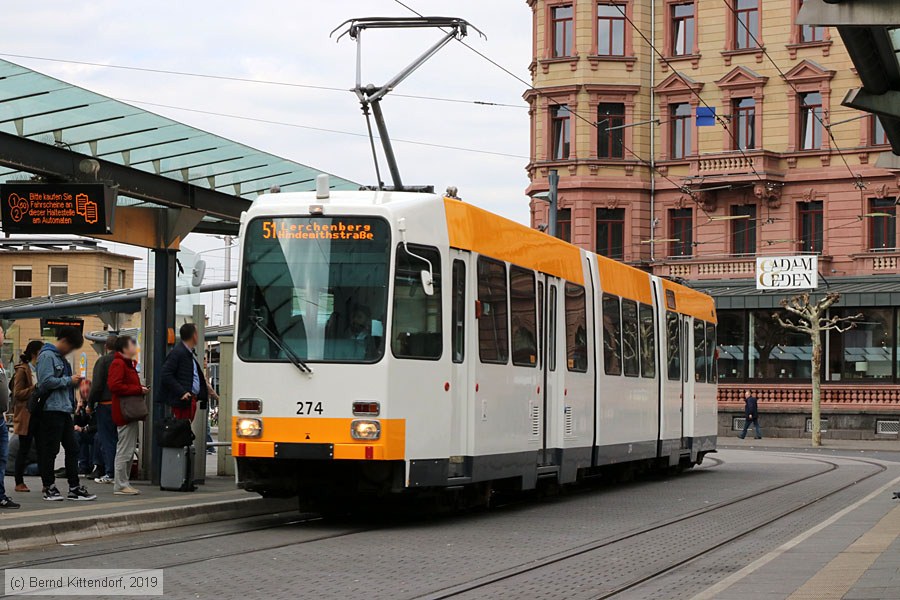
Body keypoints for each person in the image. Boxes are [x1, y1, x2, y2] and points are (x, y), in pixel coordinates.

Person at [36, 326, 96, 501]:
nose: (70, 350)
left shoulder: (62, 360)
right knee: (51, 450)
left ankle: (74, 487)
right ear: (64, 341)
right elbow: (45, 382)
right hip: (51, 410)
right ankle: (49, 487)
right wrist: (68, 380)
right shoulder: (47, 356)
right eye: (70, 346)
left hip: (64, 409)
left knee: (72, 448)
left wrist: (76, 385)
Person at [108, 336, 148, 495]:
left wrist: (139, 388)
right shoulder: (119, 363)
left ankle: (124, 482)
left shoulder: (127, 364)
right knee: (125, 449)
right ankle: (120, 484)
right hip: (124, 412)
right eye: (132, 345)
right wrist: (138, 389)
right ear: (124, 348)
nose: (135, 348)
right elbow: (114, 386)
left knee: (128, 448)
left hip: (128, 412)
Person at [160, 323, 208, 421]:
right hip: (182, 402)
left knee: (185, 431)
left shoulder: (188, 354)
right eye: (197, 333)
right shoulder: (178, 353)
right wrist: (182, 392)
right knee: (181, 431)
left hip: (189, 401)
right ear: (193, 335)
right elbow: (165, 374)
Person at [12, 340, 42, 493]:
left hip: (39, 413)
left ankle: (47, 482)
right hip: (26, 414)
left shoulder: (40, 369)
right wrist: (34, 388)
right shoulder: (23, 370)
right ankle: (19, 482)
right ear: (34, 353)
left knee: (43, 448)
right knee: (24, 448)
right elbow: (18, 393)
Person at [87, 335, 117, 483]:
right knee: (120, 441)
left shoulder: (103, 361)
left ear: (106, 346)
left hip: (106, 406)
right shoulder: (126, 361)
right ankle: (119, 472)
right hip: (122, 406)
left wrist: (90, 404)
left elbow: (97, 386)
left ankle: (110, 472)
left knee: (107, 440)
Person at [0, 328, 21, 508]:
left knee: (2, 457)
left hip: (1, 417)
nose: (3, 336)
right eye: (0, 332)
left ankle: (0, 495)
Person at [73, 395, 96, 475]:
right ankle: (83, 465)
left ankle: (93, 465)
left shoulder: (96, 404)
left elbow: (98, 425)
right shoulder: (84, 405)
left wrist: (84, 429)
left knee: (95, 437)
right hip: (89, 433)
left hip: (96, 432)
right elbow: (77, 424)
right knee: (77, 435)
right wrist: (78, 411)